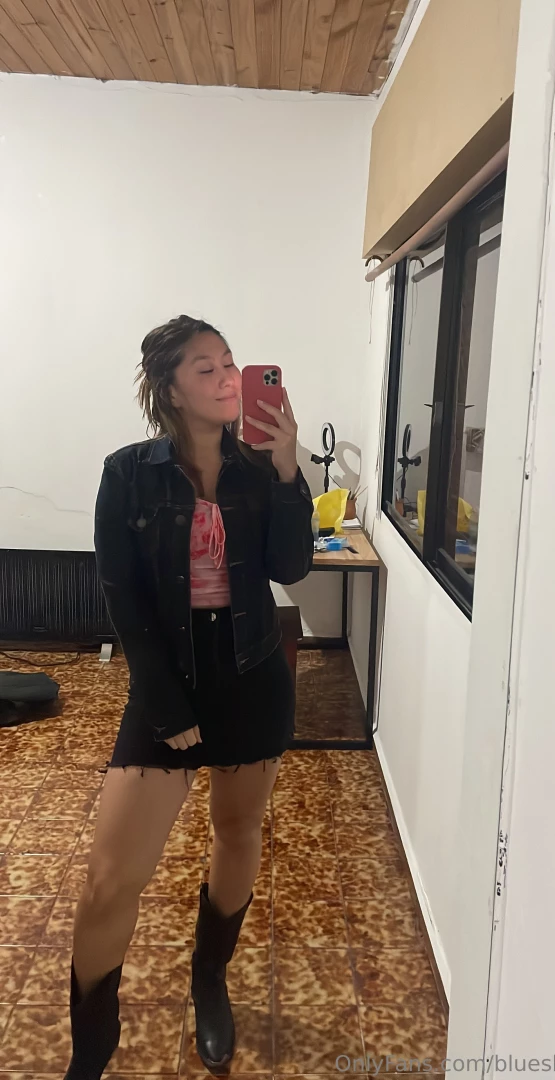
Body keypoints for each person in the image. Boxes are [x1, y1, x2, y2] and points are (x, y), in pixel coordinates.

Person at [64, 315, 314, 1080]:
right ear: (169, 390)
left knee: (237, 834)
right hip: (166, 683)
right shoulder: (127, 473)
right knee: (110, 880)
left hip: (251, 675)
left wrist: (288, 471)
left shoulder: (258, 468)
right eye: (206, 368)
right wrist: (165, 706)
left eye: (231, 363)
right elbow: (124, 597)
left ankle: (210, 979)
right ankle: (92, 1051)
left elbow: (291, 568)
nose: (228, 378)